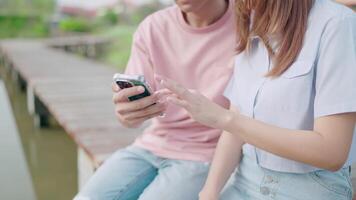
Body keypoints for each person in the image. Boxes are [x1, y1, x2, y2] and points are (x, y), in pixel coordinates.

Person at [158, 0, 356, 199]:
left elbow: (332, 153)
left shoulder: (337, 23)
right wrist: (209, 192)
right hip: (245, 180)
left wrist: (223, 118)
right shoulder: (253, 21)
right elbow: (235, 123)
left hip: (308, 187)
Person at [74, 0, 236, 199]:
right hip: (152, 143)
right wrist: (128, 115)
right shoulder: (153, 27)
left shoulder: (250, 24)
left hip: (207, 152)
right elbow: (129, 115)